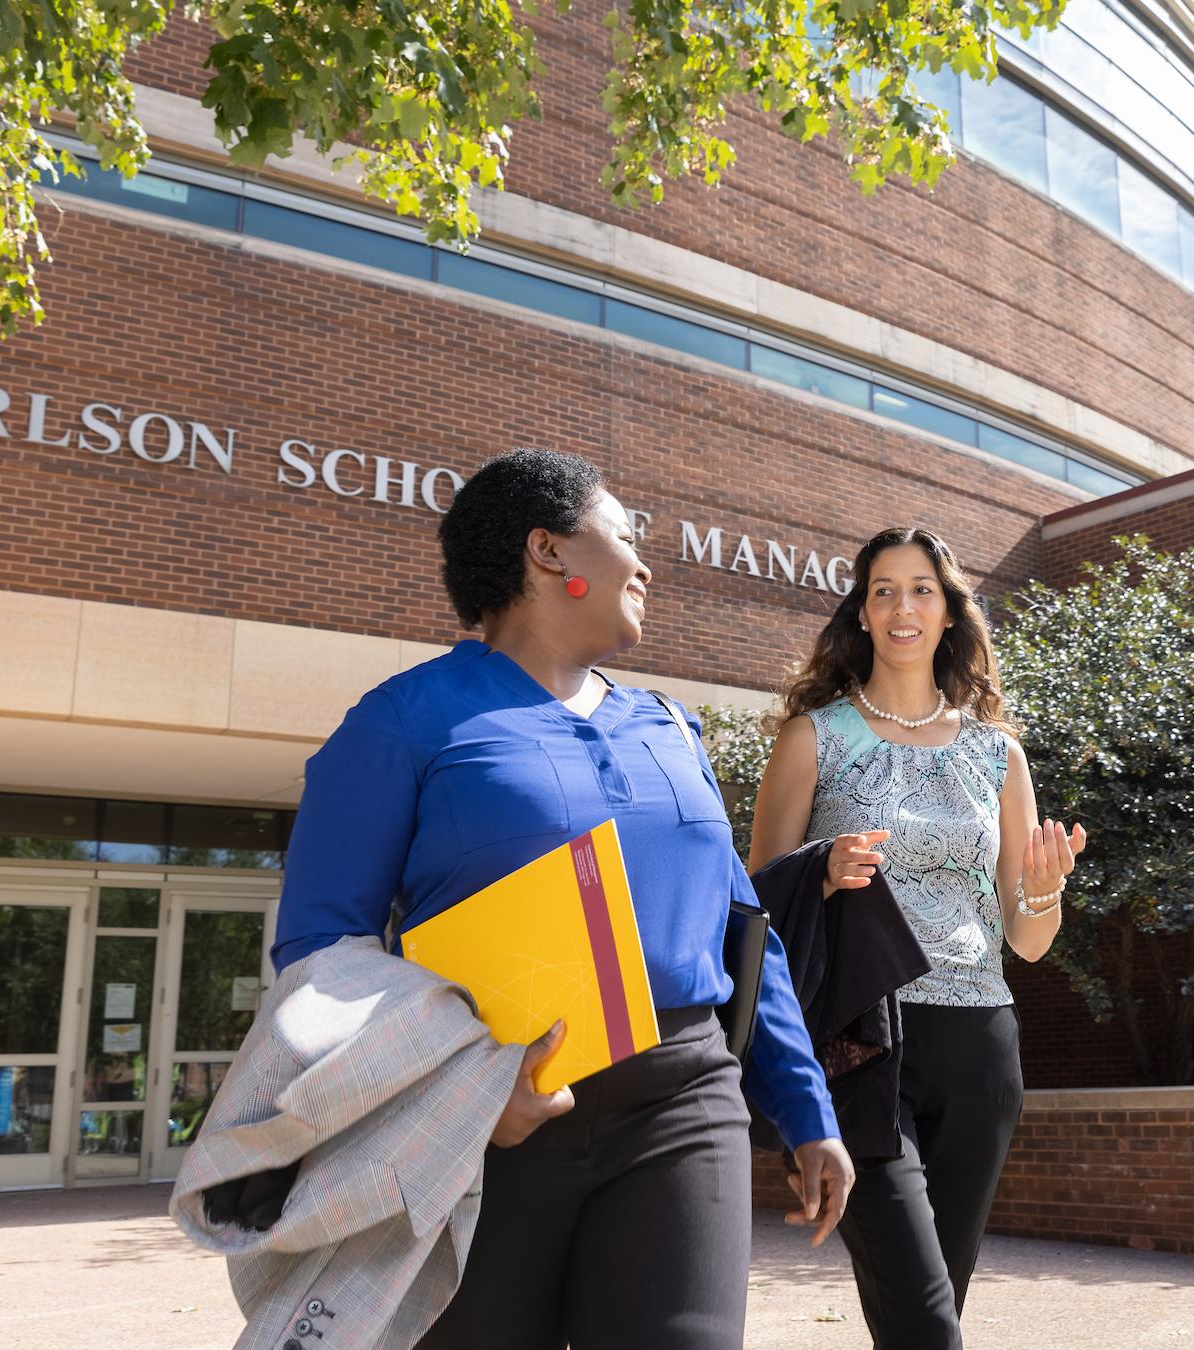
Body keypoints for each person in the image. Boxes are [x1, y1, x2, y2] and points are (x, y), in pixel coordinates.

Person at [270, 448, 854, 1350]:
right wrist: (456, 1098)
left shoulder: (668, 725)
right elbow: (319, 951)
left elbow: (743, 931)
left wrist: (806, 1109)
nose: (645, 564)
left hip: (683, 1098)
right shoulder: (402, 721)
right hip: (483, 1122)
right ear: (549, 554)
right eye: (625, 537)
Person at [750, 526, 1084, 1349]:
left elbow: (1028, 940)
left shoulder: (996, 753)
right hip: (860, 1040)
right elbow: (755, 908)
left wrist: (1042, 893)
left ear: (948, 612)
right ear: (862, 613)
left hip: (980, 1044)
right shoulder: (812, 737)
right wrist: (820, 870)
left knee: (930, 1310)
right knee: (927, 1321)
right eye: (884, 590)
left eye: (922, 589)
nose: (903, 606)